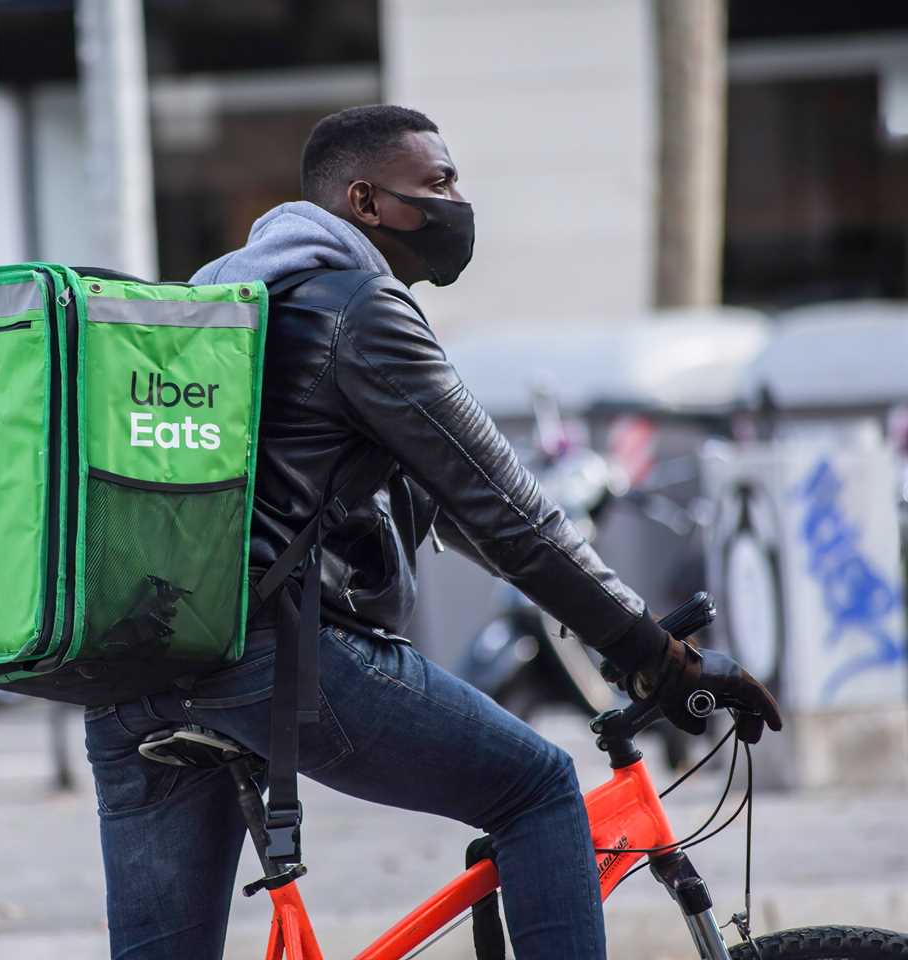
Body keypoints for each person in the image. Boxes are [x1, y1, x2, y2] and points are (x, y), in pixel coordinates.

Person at [84, 104, 781, 959]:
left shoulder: (239, 302)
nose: (459, 201)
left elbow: (459, 509)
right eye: (440, 182)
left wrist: (617, 634)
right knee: (538, 789)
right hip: (277, 660)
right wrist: (655, 656)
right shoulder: (358, 308)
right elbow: (510, 511)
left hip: (136, 672)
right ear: (367, 201)